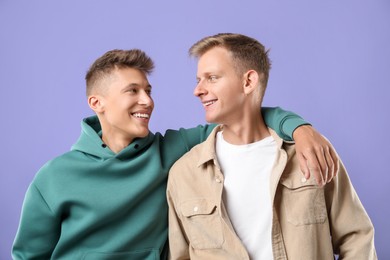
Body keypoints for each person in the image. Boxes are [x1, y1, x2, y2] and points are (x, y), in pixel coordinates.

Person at [13, 49, 337, 260]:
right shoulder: (54, 178)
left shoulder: (172, 151)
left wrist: (299, 129)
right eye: (133, 91)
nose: (147, 101)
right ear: (97, 103)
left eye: (148, 91)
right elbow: (29, 255)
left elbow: (243, 117)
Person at [167, 33, 377, 259]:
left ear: (248, 82)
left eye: (212, 78)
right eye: (198, 80)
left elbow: (356, 236)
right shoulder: (184, 174)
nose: (198, 90)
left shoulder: (309, 153)